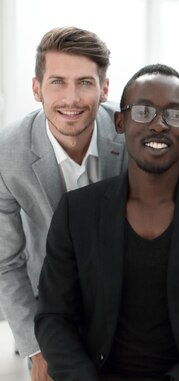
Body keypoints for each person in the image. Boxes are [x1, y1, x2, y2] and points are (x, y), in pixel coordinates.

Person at [34, 64, 179, 381]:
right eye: (143, 112)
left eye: (174, 115)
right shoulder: (77, 212)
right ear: (120, 121)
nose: (158, 125)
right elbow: (54, 317)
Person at [0, 26, 126, 381]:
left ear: (104, 88)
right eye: (57, 81)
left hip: (124, 303)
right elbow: (5, 262)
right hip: (50, 305)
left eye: (85, 82)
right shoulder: (8, 154)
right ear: (37, 88)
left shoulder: (129, 135)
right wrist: (37, 350)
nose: (71, 98)